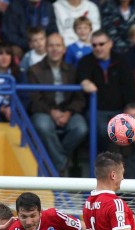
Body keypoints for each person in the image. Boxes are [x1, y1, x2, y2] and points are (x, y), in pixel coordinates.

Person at [28, 33, 89, 176]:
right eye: (51, 45)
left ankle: (54, 162)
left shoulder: (73, 70)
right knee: (42, 126)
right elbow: (34, 99)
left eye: (58, 45)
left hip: (68, 112)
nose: (55, 49)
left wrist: (68, 113)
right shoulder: (34, 70)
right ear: (46, 48)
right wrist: (52, 112)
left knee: (81, 128)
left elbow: (79, 99)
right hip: (44, 112)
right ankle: (62, 164)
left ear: (64, 49)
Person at [76, 30, 135, 151]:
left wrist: (129, 110)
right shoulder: (85, 61)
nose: (98, 48)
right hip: (96, 111)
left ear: (110, 43)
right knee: (105, 131)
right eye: (94, 45)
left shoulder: (121, 61)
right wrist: (85, 82)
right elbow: (82, 77)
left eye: (101, 44)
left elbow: (130, 87)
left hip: (120, 110)